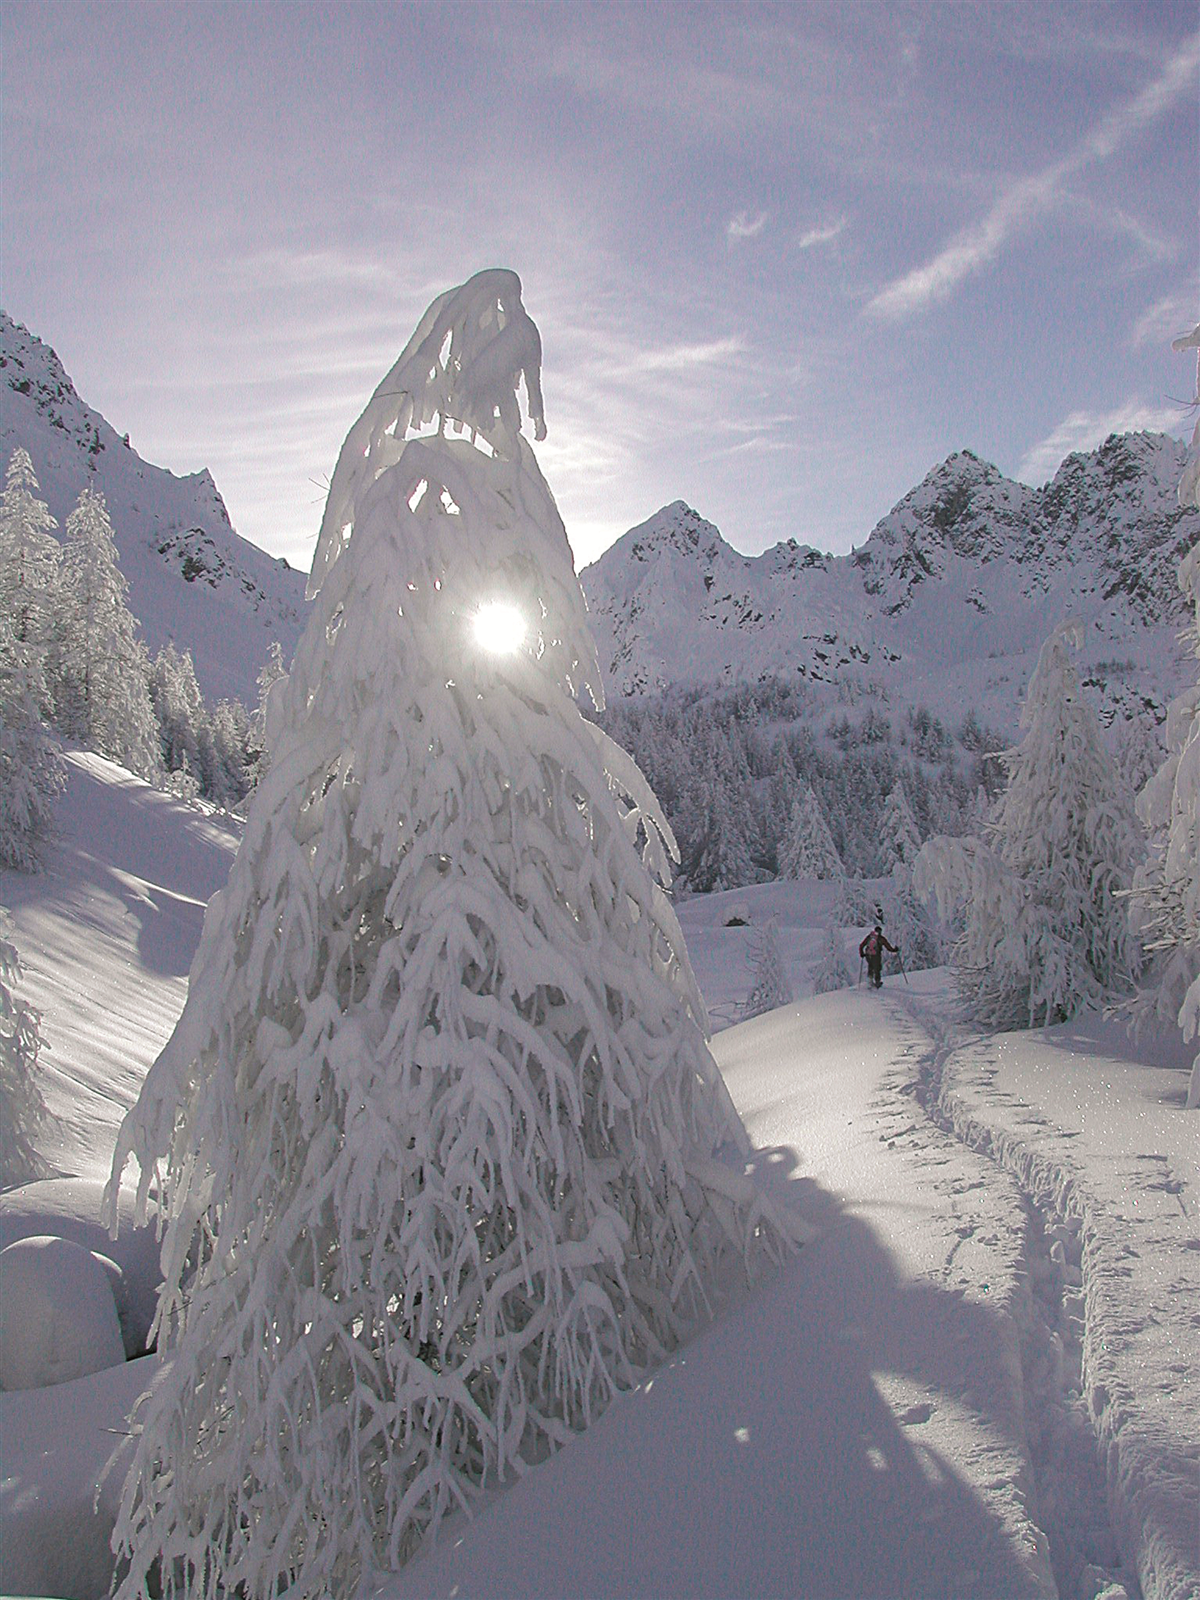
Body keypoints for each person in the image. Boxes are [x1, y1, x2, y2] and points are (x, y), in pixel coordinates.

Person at [859, 923, 898, 988]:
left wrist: (862, 953)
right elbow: (888, 947)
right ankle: (877, 982)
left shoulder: (869, 937)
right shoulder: (881, 938)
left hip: (868, 955)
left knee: (870, 966)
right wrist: (894, 950)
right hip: (876, 955)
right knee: (877, 968)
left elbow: (861, 945)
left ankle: (869, 981)